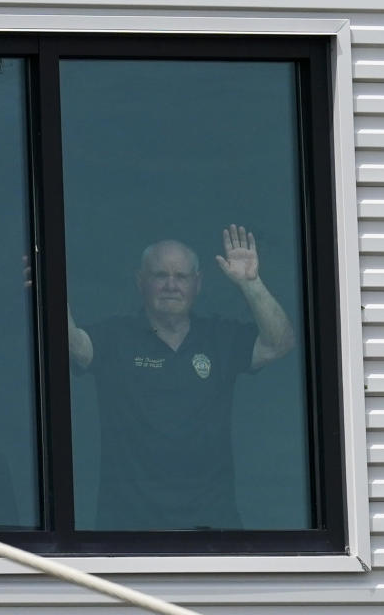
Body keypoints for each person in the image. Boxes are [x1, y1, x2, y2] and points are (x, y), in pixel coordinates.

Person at [69, 224, 295, 530]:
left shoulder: (218, 338)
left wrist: (250, 283)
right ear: (141, 282)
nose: (171, 285)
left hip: (213, 526)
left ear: (197, 283)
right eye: (160, 276)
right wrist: (49, 291)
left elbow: (279, 343)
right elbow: (75, 346)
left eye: (181, 277)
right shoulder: (116, 337)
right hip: (128, 529)